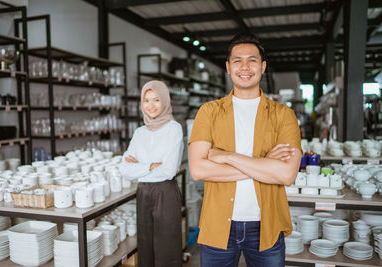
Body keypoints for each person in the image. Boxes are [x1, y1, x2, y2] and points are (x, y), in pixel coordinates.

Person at [188, 32, 302, 266]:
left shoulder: (284, 115)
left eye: (252, 60)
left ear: (263, 66)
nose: (245, 67)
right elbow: (198, 170)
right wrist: (264, 163)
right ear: (228, 67)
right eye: (237, 61)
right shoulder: (208, 112)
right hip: (218, 224)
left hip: (266, 225)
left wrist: (226, 156)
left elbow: (286, 174)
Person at [119, 80, 183, 267]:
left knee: (166, 250)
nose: (151, 105)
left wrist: (139, 165)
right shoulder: (140, 133)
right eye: (146, 100)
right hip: (143, 193)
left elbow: (169, 170)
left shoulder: (174, 128)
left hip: (165, 193)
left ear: (165, 101)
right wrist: (150, 166)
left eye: (156, 99)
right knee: (145, 248)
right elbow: (124, 169)